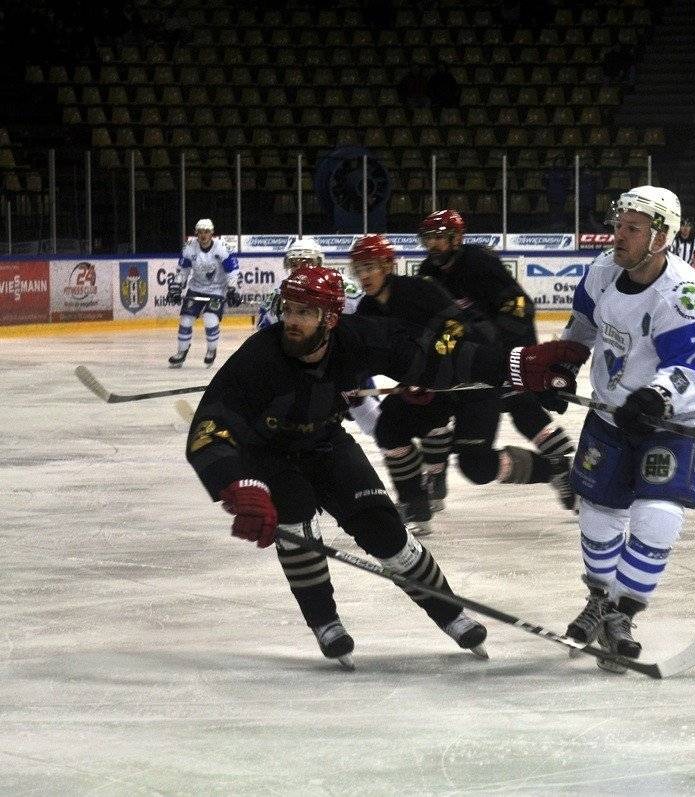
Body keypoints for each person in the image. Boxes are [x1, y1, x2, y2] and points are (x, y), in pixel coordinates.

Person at [185, 263, 588, 667]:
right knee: (296, 524)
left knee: (384, 529)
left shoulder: (357, 338)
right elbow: (209, 428)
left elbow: (433, 358)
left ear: (330, 317)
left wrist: (514, 366)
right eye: (289, 309)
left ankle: (450, 612)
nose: (292, 321)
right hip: (269, 454)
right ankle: (324, 620)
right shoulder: (259, 356)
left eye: (304, 312)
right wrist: (238, 484)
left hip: (326, 443)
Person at [557, 186, 695, 673]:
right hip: (613, 413)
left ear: (662, 236)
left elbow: (686, 365)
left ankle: (620, 614)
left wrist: (652, 397)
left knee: (656, 515)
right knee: (597, 514)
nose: (620, 236)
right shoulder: (603, 272)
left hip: (678, 420)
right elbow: (582, 330)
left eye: (633, 228)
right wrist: (562, 369)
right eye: (619, 225)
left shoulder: (683, 291)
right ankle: (599, 600)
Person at [352, 232, 573, 539]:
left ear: (388, 265)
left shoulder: (419, 290)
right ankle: (415, 503)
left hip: (473, 385)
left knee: (477, 467)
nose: (364, 276)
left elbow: (462, 328)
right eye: (358, 269)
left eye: (370, 267)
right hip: (435, 390)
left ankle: (554, 469)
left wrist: (441, 364)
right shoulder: (367, 310)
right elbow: (369, 355)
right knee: (389, 427)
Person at [415, 211, 579, 514]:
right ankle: (434, 477)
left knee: (522, 406)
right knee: (433, 406)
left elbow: (519, 306)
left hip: (503, 352)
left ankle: (564, 470)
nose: (433, 244)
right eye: (429, 238)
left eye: (440, 237)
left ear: (456, 238)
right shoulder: (428, 271)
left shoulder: (479, 263)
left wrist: (519, 360)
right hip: (465, 361)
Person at [256, 237, 378, 437]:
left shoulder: (344, 288)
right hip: (299, 373)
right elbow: (264, 339)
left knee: (371, 418)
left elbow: (368, 325)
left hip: (342, 367)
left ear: (319, 262)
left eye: (307, 262)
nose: (301, 268)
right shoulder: (277, 296)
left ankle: (399, 453)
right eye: (295, 263)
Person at [167, 218, 240, 368]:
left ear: (212, 233)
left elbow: (232, 272)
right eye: (200, 232)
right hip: (196, 289)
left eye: (207, 232)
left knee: (210, 318)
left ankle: (211, 350)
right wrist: (176, 286)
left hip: (216, 290)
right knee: (186, 320)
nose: (203, 235)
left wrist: (232, 288)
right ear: (196, 233)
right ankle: (181, 352)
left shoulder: (222, 248)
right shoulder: (189, 248)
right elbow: (183, 271)